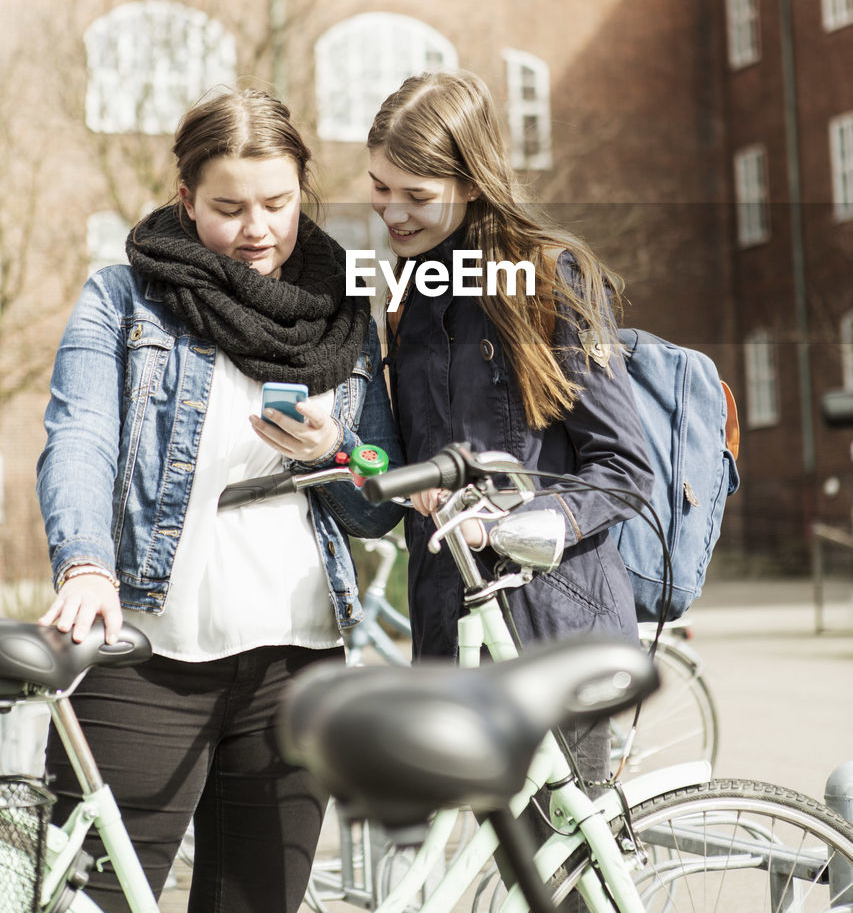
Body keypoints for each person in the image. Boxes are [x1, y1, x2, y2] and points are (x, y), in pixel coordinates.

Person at [36, 88, 402, 913]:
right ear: (184, 199)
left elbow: (380, 490)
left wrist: (336, 452)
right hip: (145, 653)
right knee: (88, 898)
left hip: (298, 661)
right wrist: (85, 563)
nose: (257, 230)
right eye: (228, 208)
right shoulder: (124, 299)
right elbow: (80, 439)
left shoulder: (344, 316)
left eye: (276, 203)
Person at [366, 70, 655, 820]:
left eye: (415, 195)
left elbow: (624, 469)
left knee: (563, 874)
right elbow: (416, 458)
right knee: (504, 870)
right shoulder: (410, 292)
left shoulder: (547, 278)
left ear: (470, 183)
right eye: (378, 189)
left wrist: (512, 523)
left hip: (556, 635)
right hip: (454, 632)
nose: (392, 213)